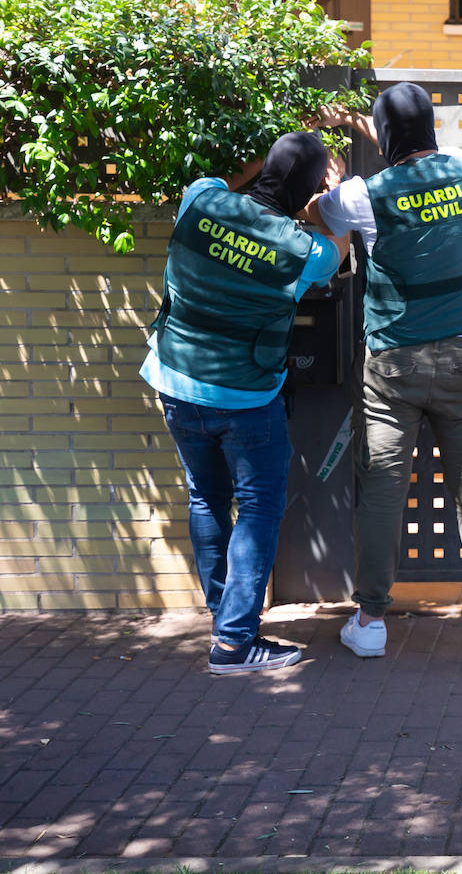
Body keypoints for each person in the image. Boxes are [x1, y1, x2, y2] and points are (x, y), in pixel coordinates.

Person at [307, 83, 462, 657]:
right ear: (430, 126)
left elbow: (316, 213)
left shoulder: (361, 194)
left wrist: (332, 171)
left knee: (382, 488)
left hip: (393, 364)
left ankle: (371, 622)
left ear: (383, 136)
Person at [142, 132, 351, 675]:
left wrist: (274, 160)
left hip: (177, 381)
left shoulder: (199, 200)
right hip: (246, 396)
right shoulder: (300, 249)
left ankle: (225, 618)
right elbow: (337, 247)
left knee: (206, 498)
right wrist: (329, 197)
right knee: (257, 507)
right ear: (305, 191)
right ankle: (234, 643)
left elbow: (232, 179)